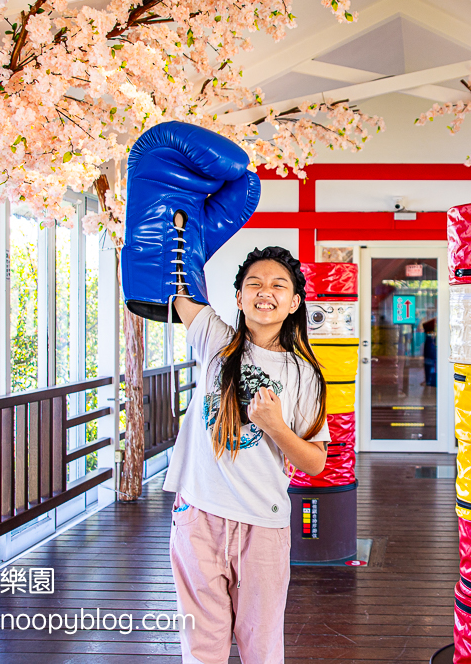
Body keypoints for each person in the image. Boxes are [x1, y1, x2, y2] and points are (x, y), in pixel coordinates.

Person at [163, 245, 330, 663]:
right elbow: (174, 280)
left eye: (278, 285)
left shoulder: (303, 374)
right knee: (201, 645)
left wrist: (275, 427)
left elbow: (315, 461)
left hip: (263, 524)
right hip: (198, 514)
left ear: (294, 303)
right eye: (253, 283)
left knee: (262, 645)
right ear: (238, 297)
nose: (264, 291)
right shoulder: (214, 340)